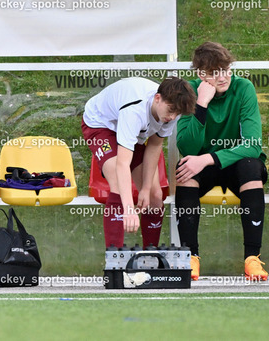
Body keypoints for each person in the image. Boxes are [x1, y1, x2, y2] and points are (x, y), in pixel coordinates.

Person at [175, 42, 268, 281]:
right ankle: (190, 256)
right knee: (184, 169)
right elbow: (187, 147)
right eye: (214, 73)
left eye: (225, 70)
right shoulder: (190, 91)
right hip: (203, 169)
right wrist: (201, 105)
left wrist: (209, 158)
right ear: (201, 75)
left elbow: (252, 145)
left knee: (252, 166)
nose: (223, 77)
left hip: (235, 165)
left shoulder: (243, 87)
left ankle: (252, 258)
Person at [81, 77, 196, 249]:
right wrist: (129, 209)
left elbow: (155, 145)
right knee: (118, 186)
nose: (172, 117)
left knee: (155, 196)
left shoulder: (172, 111)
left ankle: (150, 256)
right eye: (171, 110)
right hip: (101, 126)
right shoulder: (135, 111)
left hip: (131, 130)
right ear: (157, 98)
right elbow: (122, 164)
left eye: (177, 113)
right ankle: (114, 259)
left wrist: (146, 188)